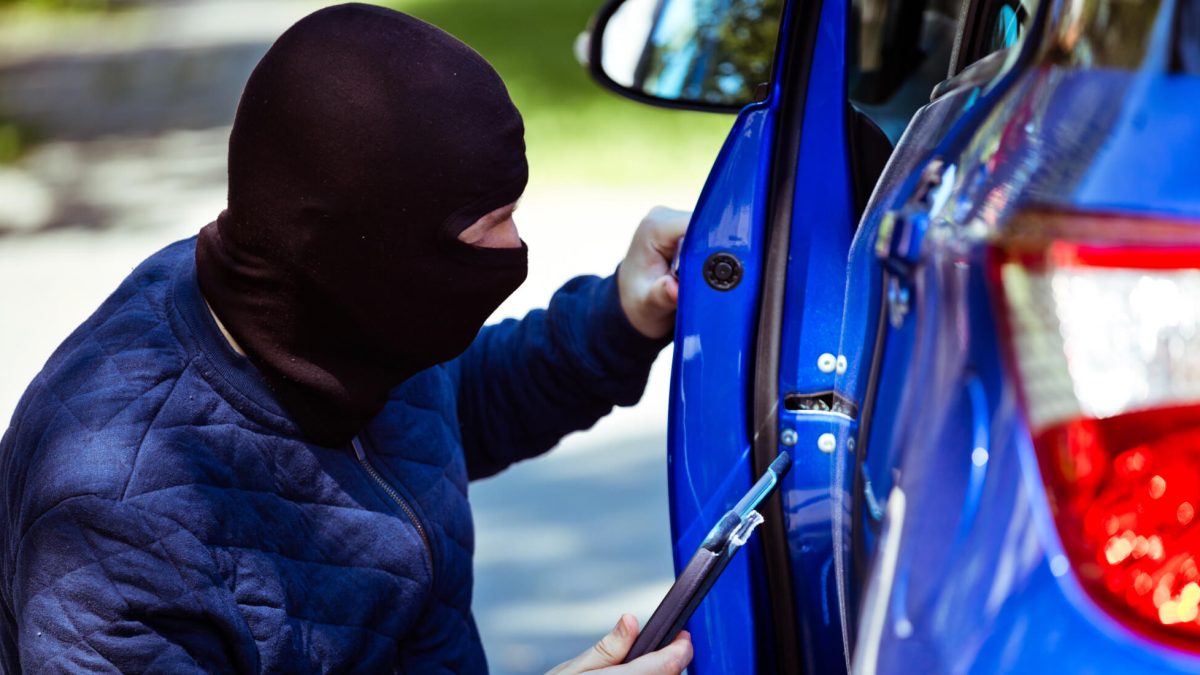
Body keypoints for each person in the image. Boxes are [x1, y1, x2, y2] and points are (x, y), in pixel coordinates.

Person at [0, 4, 693, 673]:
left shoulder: (335, 311)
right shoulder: (113, 524)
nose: (516, 246)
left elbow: (450, 411)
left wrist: (621, 315)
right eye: (492, 223)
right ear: (380, 248)